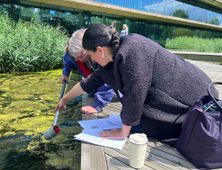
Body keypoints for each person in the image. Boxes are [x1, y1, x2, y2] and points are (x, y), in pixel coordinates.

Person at [56, 24, 218, 144]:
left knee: (141, 129)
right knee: (137, 124)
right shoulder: (108, 62)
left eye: (90, 55)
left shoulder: (133, 49)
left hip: (197, 99)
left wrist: (122, 133)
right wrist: (64, 100)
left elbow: (135, 93)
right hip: (170, 96)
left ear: (100, 50)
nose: (90, 61)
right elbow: (89, 82)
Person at [61, 29, 116, 114]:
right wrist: (65, 73)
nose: (76, 59)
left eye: (80, 56)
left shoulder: (103, 56)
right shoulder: (72, 53)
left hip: (109, 83)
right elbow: (68, 59)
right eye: (74, 56)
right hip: (92, 77)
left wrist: (98, 105)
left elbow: (108, 81)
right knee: (91, 93)